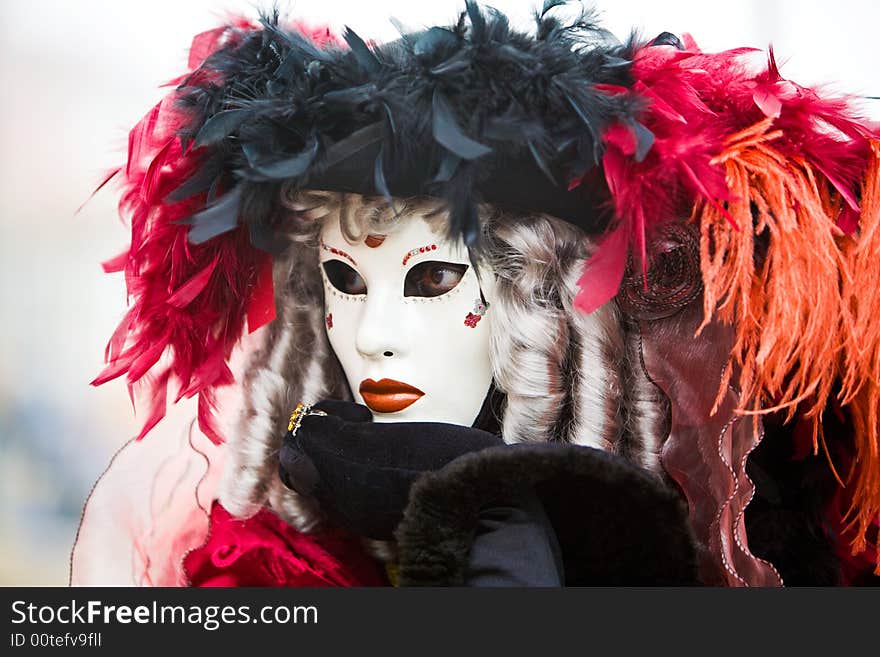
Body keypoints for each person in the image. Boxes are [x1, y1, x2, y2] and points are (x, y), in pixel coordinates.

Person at [71, 1, 879, 587]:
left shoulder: (702, 545)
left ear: (543, 304)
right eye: (345, 281)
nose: (375, 336)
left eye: (431, 277)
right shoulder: (225, 547)